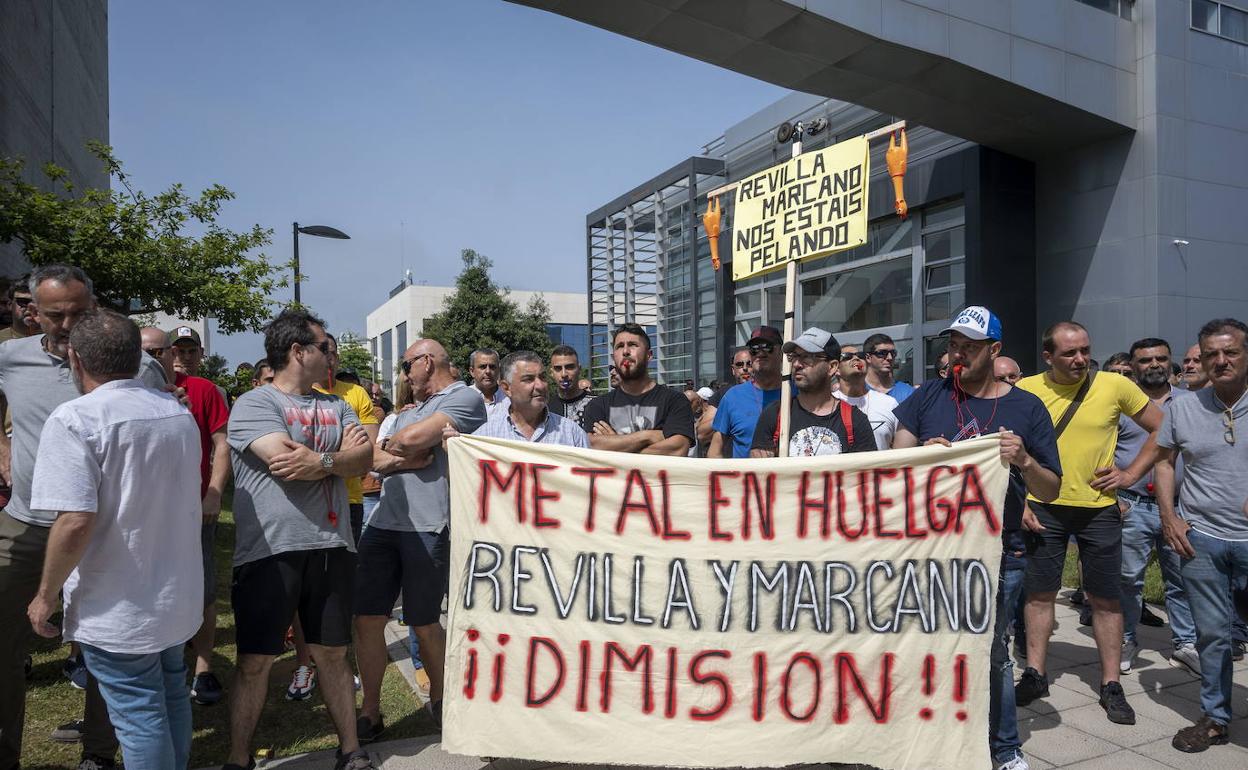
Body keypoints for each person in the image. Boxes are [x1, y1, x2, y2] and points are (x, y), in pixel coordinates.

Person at [0, 266, 168, 770]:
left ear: (94, 305)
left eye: (79, 312)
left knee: (106, 642)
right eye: (56, 314)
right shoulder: (10, 358)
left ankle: (100, 752)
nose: (68, 323)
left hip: (107, 530)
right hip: (27, 521)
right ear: (32, 310)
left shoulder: (136, 366)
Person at [26, 310, 203, 769]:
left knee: (142, 713)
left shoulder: (75, 419)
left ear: (75, 359)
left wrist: (45, 597)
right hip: (173, 592)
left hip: (119, 602)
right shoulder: (176, 412)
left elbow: (74, 521)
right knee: (170, 694)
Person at [892, 306, 1060, 770]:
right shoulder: (929, 396)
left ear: (995, 350)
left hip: (999, 551)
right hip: (929, 548)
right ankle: (926, 736)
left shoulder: (1026, 407)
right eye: (953, 344)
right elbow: (894, 463)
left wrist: (1024, 460)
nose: (959, 352)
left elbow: (1052, 487)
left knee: (990, 653)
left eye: (969, 344)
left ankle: (1004, 748)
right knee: (924, 645)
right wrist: (921, 456)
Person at [224, 308, 374, 770]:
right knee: (256, 661)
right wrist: (338, 457)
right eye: (324, 346)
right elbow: (282, 460)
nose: (331, 355)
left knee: (333, 654)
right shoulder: (254, 404)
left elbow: (365, 456)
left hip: (331, 546)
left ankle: (350, 752)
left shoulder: (337, 404)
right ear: (298, 351)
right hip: (270, 550)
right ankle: (238, 758)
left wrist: (324, 463)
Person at [1015, 321, 1163, 726]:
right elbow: (1009, 449)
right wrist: (1019, 502)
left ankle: (1111, 683)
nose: (1080, 359)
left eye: (1085, 350)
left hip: (1099, 507)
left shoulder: (1115, 386)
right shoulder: (1026, 389)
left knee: (1106, 599)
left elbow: (1162, 426)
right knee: (1039, 595)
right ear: (1048, 356)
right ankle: (1035, 673)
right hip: (1042, 506)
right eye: (1069, 353)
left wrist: (1130, 474)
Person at [355, 339, 487, 740]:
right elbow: (372, 459)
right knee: (366, 620)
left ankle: (442, 702)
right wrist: (404, 454)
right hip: (383, 525)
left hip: (430, 527)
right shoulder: (405, 411)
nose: (404, 374)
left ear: (427, 362)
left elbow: (403, 444)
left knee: (425, 623)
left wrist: (398, 448)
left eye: (407, 364)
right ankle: (371, 710)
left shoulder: (465, 397)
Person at [1159, 319, 1248, 753]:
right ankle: (1215, 717)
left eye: (1230, 352)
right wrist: (1169, 517)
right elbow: (1163, 461)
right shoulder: (1183, 407)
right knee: (1212, 635)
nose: (1220, 361)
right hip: (1202, 540)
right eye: (1211, 353)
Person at [144, 327, 233, 707]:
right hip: (146, 512)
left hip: (194, 507)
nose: (177, 355)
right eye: (153, 350)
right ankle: (163, 663)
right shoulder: (128, 388)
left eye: (186, 349)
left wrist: (214, 492)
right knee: (153, 586)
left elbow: (222, 442)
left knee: (202, 586)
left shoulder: (203, 390)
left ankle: (202, 667)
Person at [1114, 338, 1197, 676]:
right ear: (1133, 365)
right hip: (1131, 506)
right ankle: (1127, 639)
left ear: (1170, 361)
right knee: (1128, 579)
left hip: (1180, 508)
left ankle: (1185, 644)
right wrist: (1114, 498)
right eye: (1145, 360)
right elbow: (1101, 453)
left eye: (1161, 358)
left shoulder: (1192, 402)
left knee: (1180, 580)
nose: (1154, 365)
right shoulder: (1121, 404)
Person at [749, 328, 874, 457]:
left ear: (832, 367)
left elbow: (867, 474)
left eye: (807, 357)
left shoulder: (855, 421)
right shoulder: (775, 415)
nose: (797, 364)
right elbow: (760, 474)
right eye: (795, 356)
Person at [581, 323, 694, 456]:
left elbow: (677, 450)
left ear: (649, 355)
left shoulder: (675, 401)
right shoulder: (598, 405)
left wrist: (615, 443)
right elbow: (592, 445)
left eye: (633, 345)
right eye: (619, 346)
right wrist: (647, 436)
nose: (625, 351)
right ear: (614, 357)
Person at [468, 350, 588, 448]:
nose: (540, 385)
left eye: (542, 377)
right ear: (506, 388)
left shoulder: (572, 434)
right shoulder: (486, 437)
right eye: (528, 379)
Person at [709, 326, 783, 458]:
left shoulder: (796, 393)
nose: (760, 353)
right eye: (754, 349)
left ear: (780, 352)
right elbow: (715, 450)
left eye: (767, 346)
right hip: (745, 478)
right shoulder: (732, 397)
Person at [834, 343, 898, 450]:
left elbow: (902, 452)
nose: (856, 358)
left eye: (861, 355)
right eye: (847, 356)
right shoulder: (828, 405)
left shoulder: (889, 403)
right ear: (836, 368)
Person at [548, 344, 596, 426]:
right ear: (552, 373)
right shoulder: (545, 409)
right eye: (558, 368)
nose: (564, 374)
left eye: (569, 367)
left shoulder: (597, 404)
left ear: (579, 369)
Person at [863, 333, 915, 402]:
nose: (889, 358)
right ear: (868, 357)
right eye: (882, 353)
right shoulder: (854, 392)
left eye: (893, 353)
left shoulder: (908, 393)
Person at [468, 348, 509, 420]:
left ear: (499, 370)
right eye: (482, 367)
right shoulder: (462, 398)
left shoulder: (510, 398)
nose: (488, 371)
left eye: (492, 367)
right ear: (472, 371)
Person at [0, 277, 36, 343]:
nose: (30, 307)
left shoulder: (55, 341)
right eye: (22, 302)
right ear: (10, 304)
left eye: (36, 302)